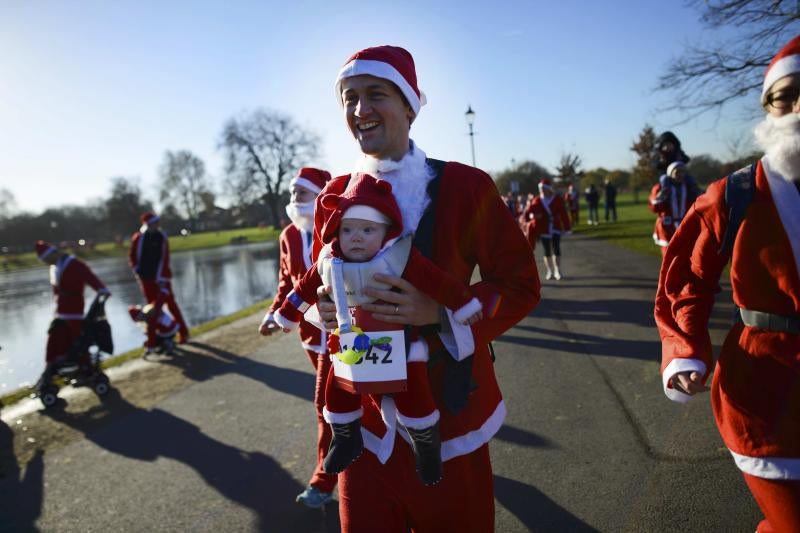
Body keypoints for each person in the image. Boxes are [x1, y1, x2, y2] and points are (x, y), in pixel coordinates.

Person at [313, 45, 539, 531]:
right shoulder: (332, 198)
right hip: (364, 434)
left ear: (410, 106)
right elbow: (322, 282)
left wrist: (438, 312)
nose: (360, 110)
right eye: (349, 98)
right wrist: (326, 307)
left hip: (452, 425)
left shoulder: (467, 187)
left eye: (376, 94)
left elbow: (520, 285)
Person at [655, 35, 800, 533]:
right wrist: (687, 349)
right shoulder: (734, 195)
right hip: (766, 394)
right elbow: (686, 279)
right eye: (788, 95)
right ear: (769, 109)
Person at [273, 172, 483, 486]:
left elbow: (439, 283)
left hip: (399, 341)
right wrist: (287, 315)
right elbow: (303, 289)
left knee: (415, 395)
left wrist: (462, 305)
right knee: (336, 391)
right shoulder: (329, 262)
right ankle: (345, 437)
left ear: (385, 231)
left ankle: (426, 444)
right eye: (348, 229)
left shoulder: (399, 257)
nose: (356, 237)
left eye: (367, 229)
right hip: (352, 344)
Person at [258, 167, 339, 508]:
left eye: (301, 193)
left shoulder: (337, 224)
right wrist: (272, 313)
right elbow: (285, 282)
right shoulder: (288, 236)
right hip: (308, 336)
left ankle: (325, 480)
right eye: (292, 195)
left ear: (319, 194)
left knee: (325, 406)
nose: (294, 201)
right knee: (340, 403)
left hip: (341, 333)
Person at [35, 240, 110, 373]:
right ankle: (57, 366)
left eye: (46, 259)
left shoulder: (73, 264)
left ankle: (85, 366)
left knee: (78, 340)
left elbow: (90, 277)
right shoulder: (55, 267)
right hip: (60, 311)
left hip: (74, 309)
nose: (46, 263)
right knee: (59, 339)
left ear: (51, 254)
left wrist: (102, 289)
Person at [128, 212, 189, 343]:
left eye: (157, 223)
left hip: (161, 279)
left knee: (171, 305)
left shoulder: (161, 237)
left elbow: (164, 259)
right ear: (148, 224)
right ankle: (158, 335)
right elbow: (132, 256)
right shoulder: (138, 238)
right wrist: (136, 269)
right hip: (146, 279)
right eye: (154, 223)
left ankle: (183, 332)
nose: (157, 225)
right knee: (152, 309)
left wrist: (161, 279)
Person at [522, 178, 571, 280]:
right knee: (547, 250)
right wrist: (533, 216)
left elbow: (563, 213)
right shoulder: (537, 200)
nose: (542, 190)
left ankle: (557, 270)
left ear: (549, 189)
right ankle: (550, 270)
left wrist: (567, 227)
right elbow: (527, 214)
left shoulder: (556, 199)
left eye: (543, 188)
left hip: (555, 227)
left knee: (556, 248)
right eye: (540, 188)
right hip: (543, 229)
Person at [648, 160, 701, 255]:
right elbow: (654, 207)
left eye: (682, 172)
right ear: (670, 173)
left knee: (686, 255)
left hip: (684, 224)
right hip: (667, 225)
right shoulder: (660, 187)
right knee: (668, 255)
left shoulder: (688, 187)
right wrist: (660, 197)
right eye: (677, 172)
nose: (680, 175)